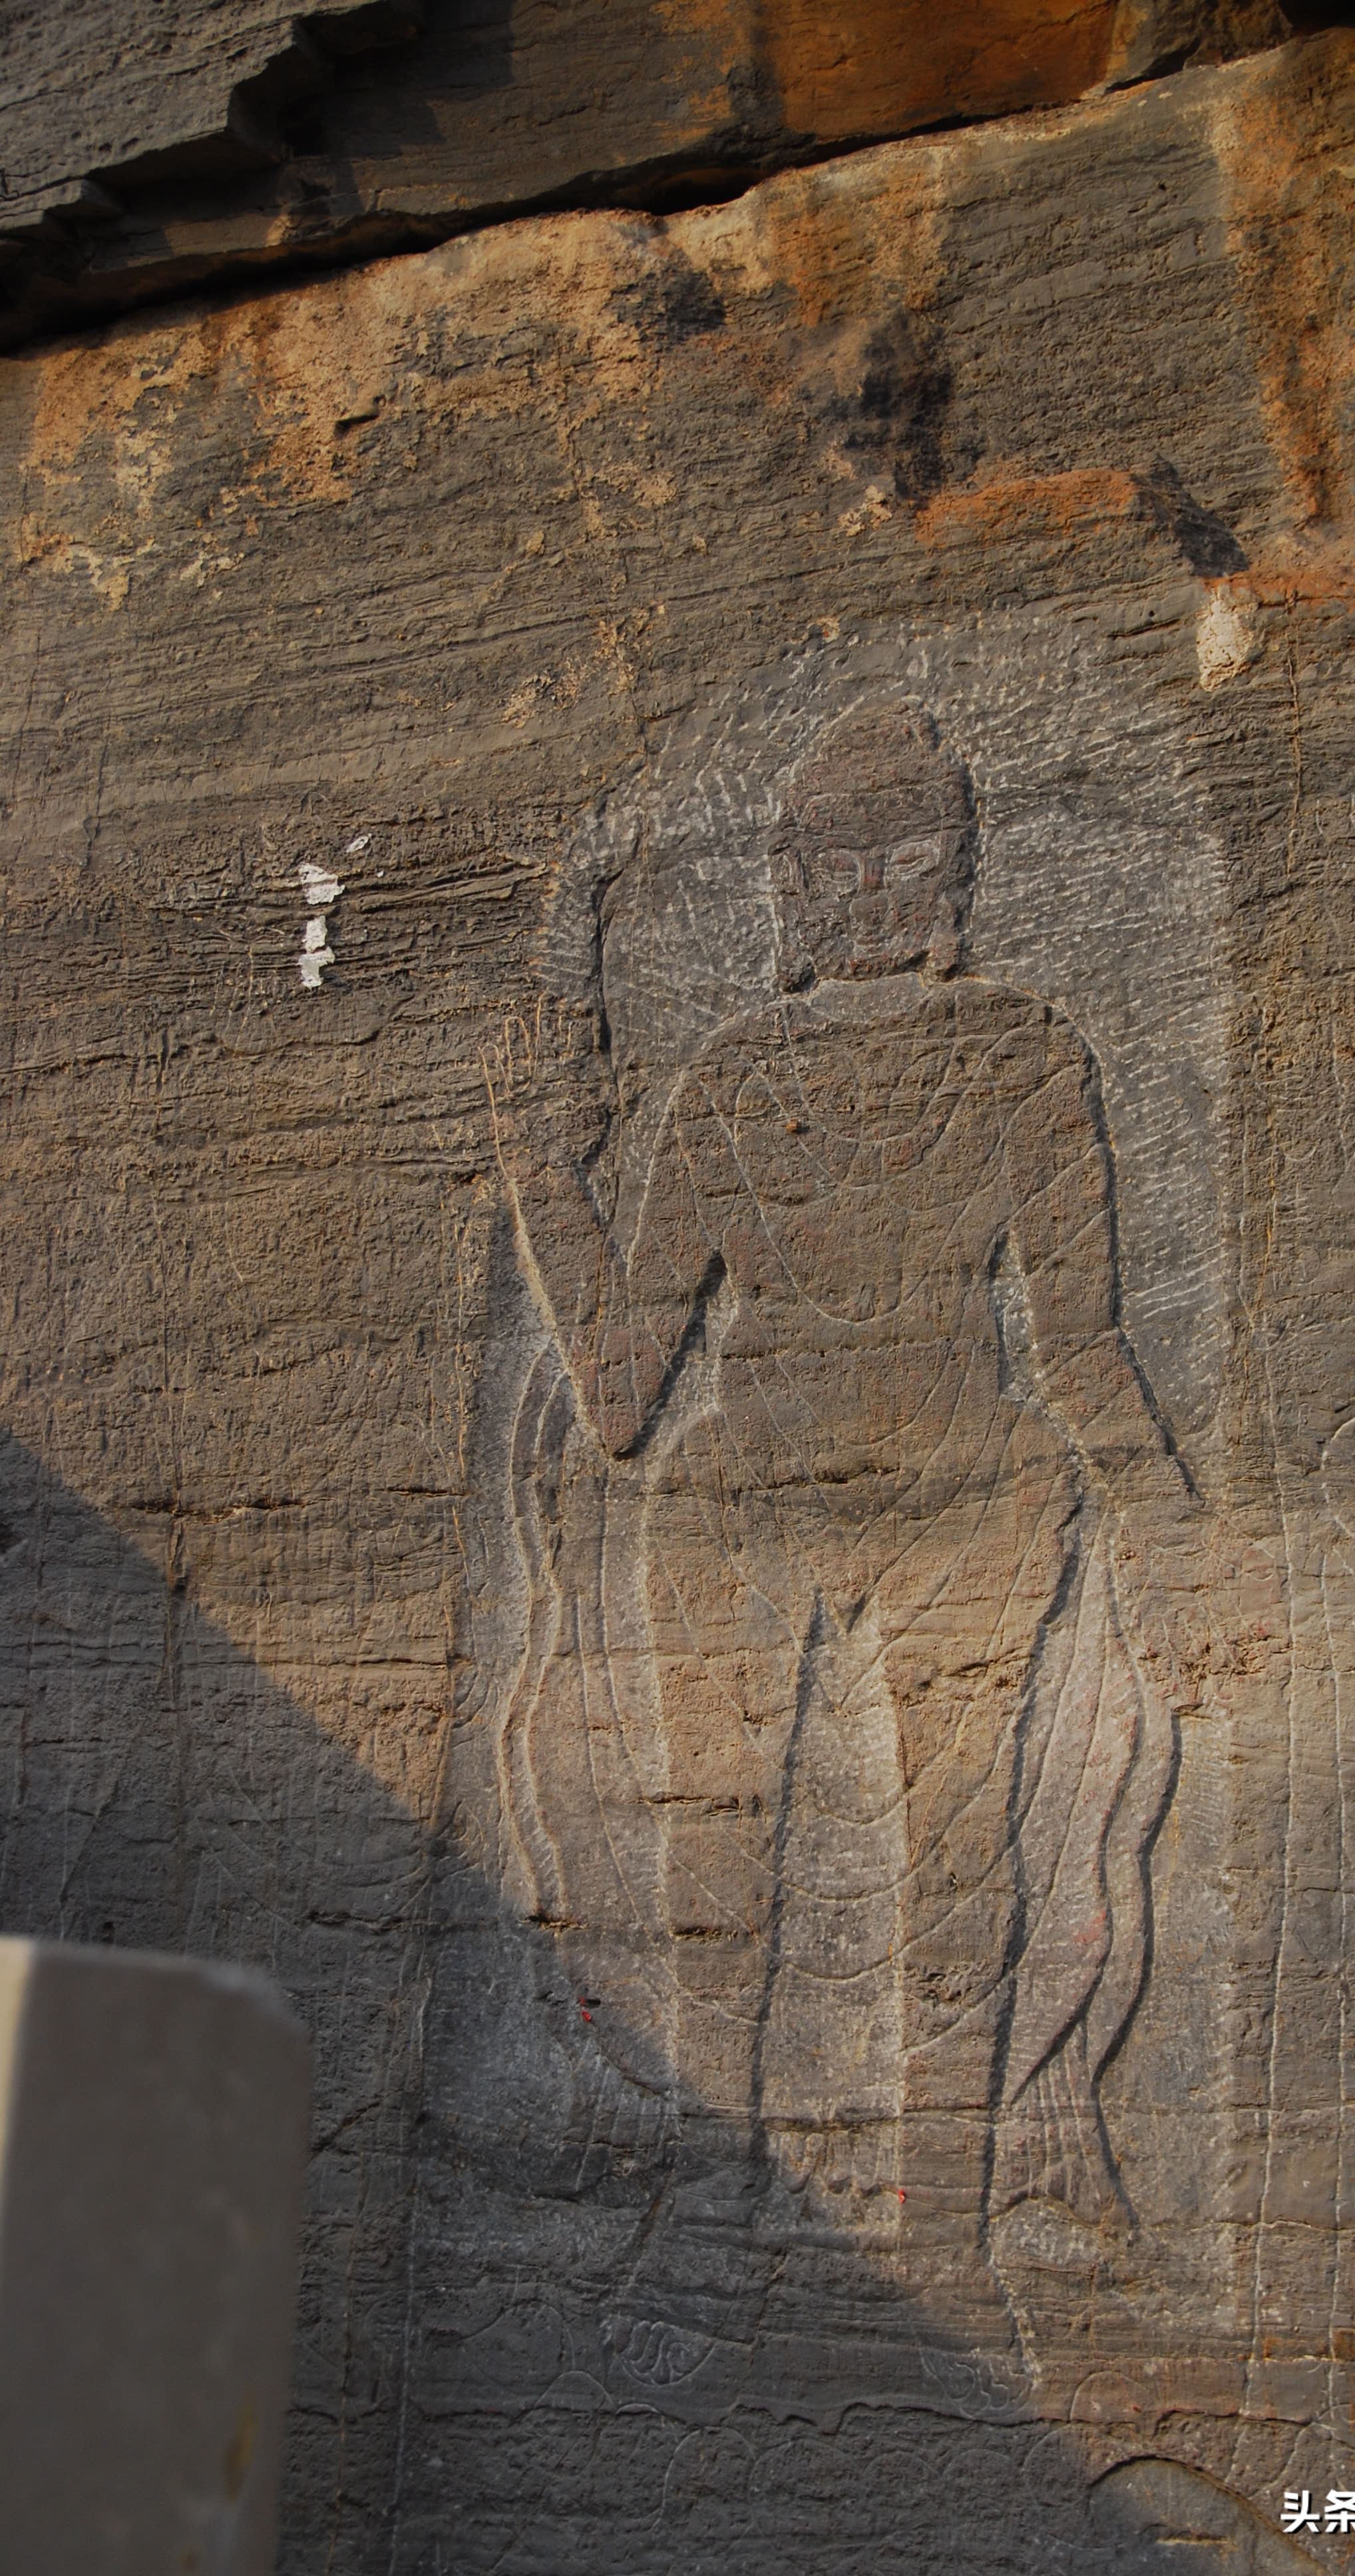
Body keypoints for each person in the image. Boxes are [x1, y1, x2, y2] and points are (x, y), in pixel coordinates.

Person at [496, 701, 1185, 2400]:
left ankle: (939, 2254)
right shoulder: (742, 1073)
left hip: (966, 1473)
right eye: (844, 856)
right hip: (754, 1491)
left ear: (949, 873)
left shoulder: (1020, 1046)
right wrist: (537, 1152)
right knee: (724, 1893)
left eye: (910, 853)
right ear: (797, 890)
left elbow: (1084, 1344)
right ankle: (738, 2239)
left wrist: (1177, 1539)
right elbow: (627, 1386)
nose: (878, 886)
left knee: (959, 1881)